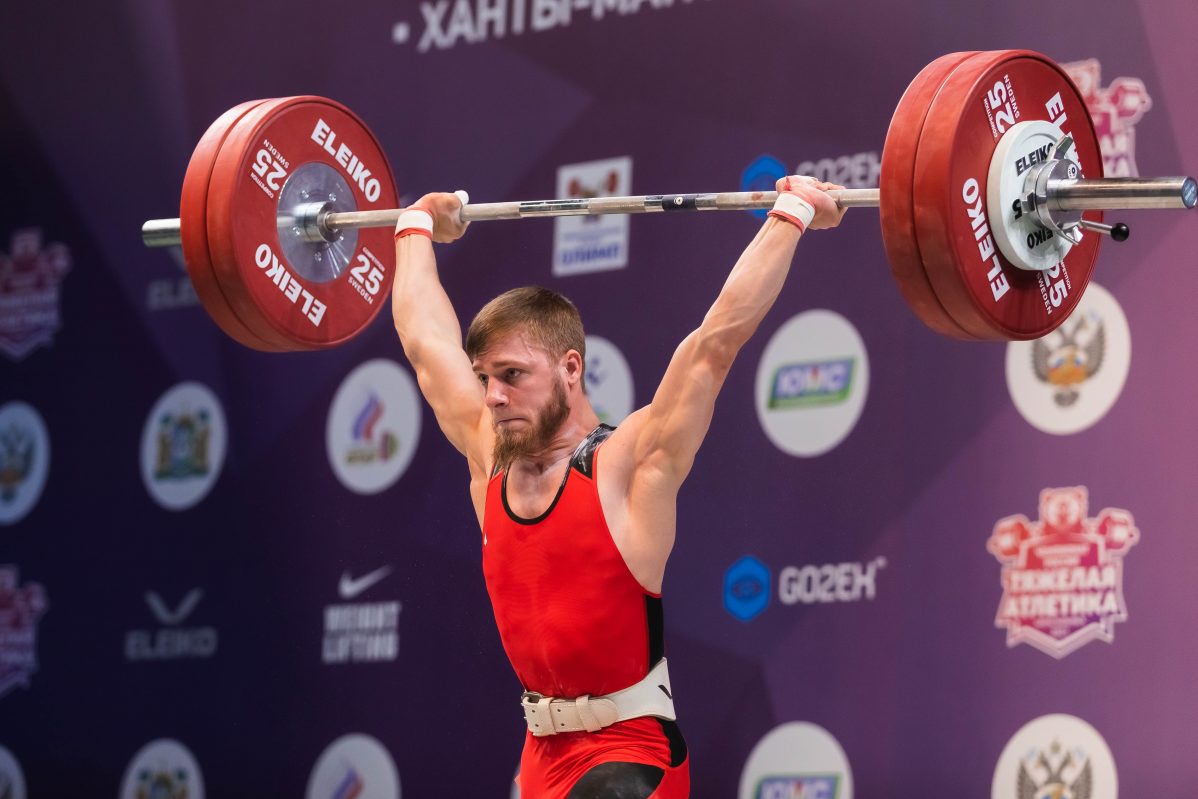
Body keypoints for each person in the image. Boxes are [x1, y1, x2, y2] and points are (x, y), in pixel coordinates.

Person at [391, 176, 846, 798]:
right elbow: (425, 344)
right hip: (542, 759)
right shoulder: (488, 455)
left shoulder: (629, 461)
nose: (492, 396)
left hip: (632, 755)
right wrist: (416, 227)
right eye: (484, 378)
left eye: (512, 375)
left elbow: (713, 345)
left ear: (570, 368)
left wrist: (792, 213)